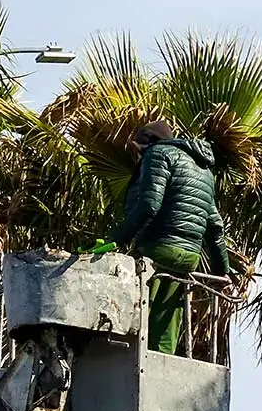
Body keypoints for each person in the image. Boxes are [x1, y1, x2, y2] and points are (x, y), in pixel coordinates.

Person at [95, 119, 232, 355]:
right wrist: (223, 271)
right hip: (189, 256)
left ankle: (131, 357)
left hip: (158, 248)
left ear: (149, 144)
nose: (137, 157)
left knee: (140, 310)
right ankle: (162, 359)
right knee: (168, 315)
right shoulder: (203, 169)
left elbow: (149, 205)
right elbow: (215, 225)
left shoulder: (158, 155)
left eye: (138, 151)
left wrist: (115, 239)